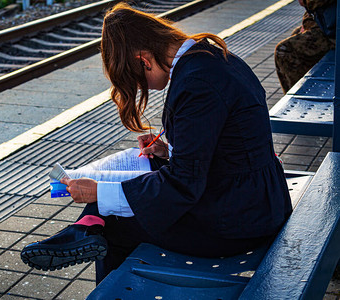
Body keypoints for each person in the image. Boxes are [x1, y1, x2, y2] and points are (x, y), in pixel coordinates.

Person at [20, 3, 292, 284]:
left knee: (112, 221)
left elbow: (183, 184)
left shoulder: (196, 83)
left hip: (239, 219)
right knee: (113, 203)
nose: (144, 88)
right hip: (251, 197)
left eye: (138, 81)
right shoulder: (211, 57)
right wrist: (170, 148)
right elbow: (226, 141)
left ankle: (96, 253)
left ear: (143, 60)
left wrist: (101, 191)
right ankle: (84, 229)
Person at [275, 0, 336, 93]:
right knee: (296, 35)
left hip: (334, 33)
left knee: (284, 50)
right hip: (329, 23)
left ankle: (300, 96)